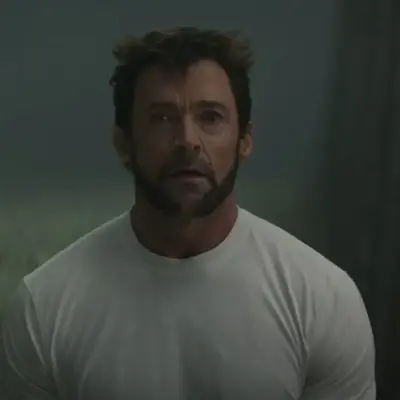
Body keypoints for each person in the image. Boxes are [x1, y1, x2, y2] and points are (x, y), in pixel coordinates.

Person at [1, 27, 376, 399]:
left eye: (210, 117)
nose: (188, 141)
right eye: (162, 118)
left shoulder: (323, 300)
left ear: (244, 140)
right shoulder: (45, 306)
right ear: (124, 143)